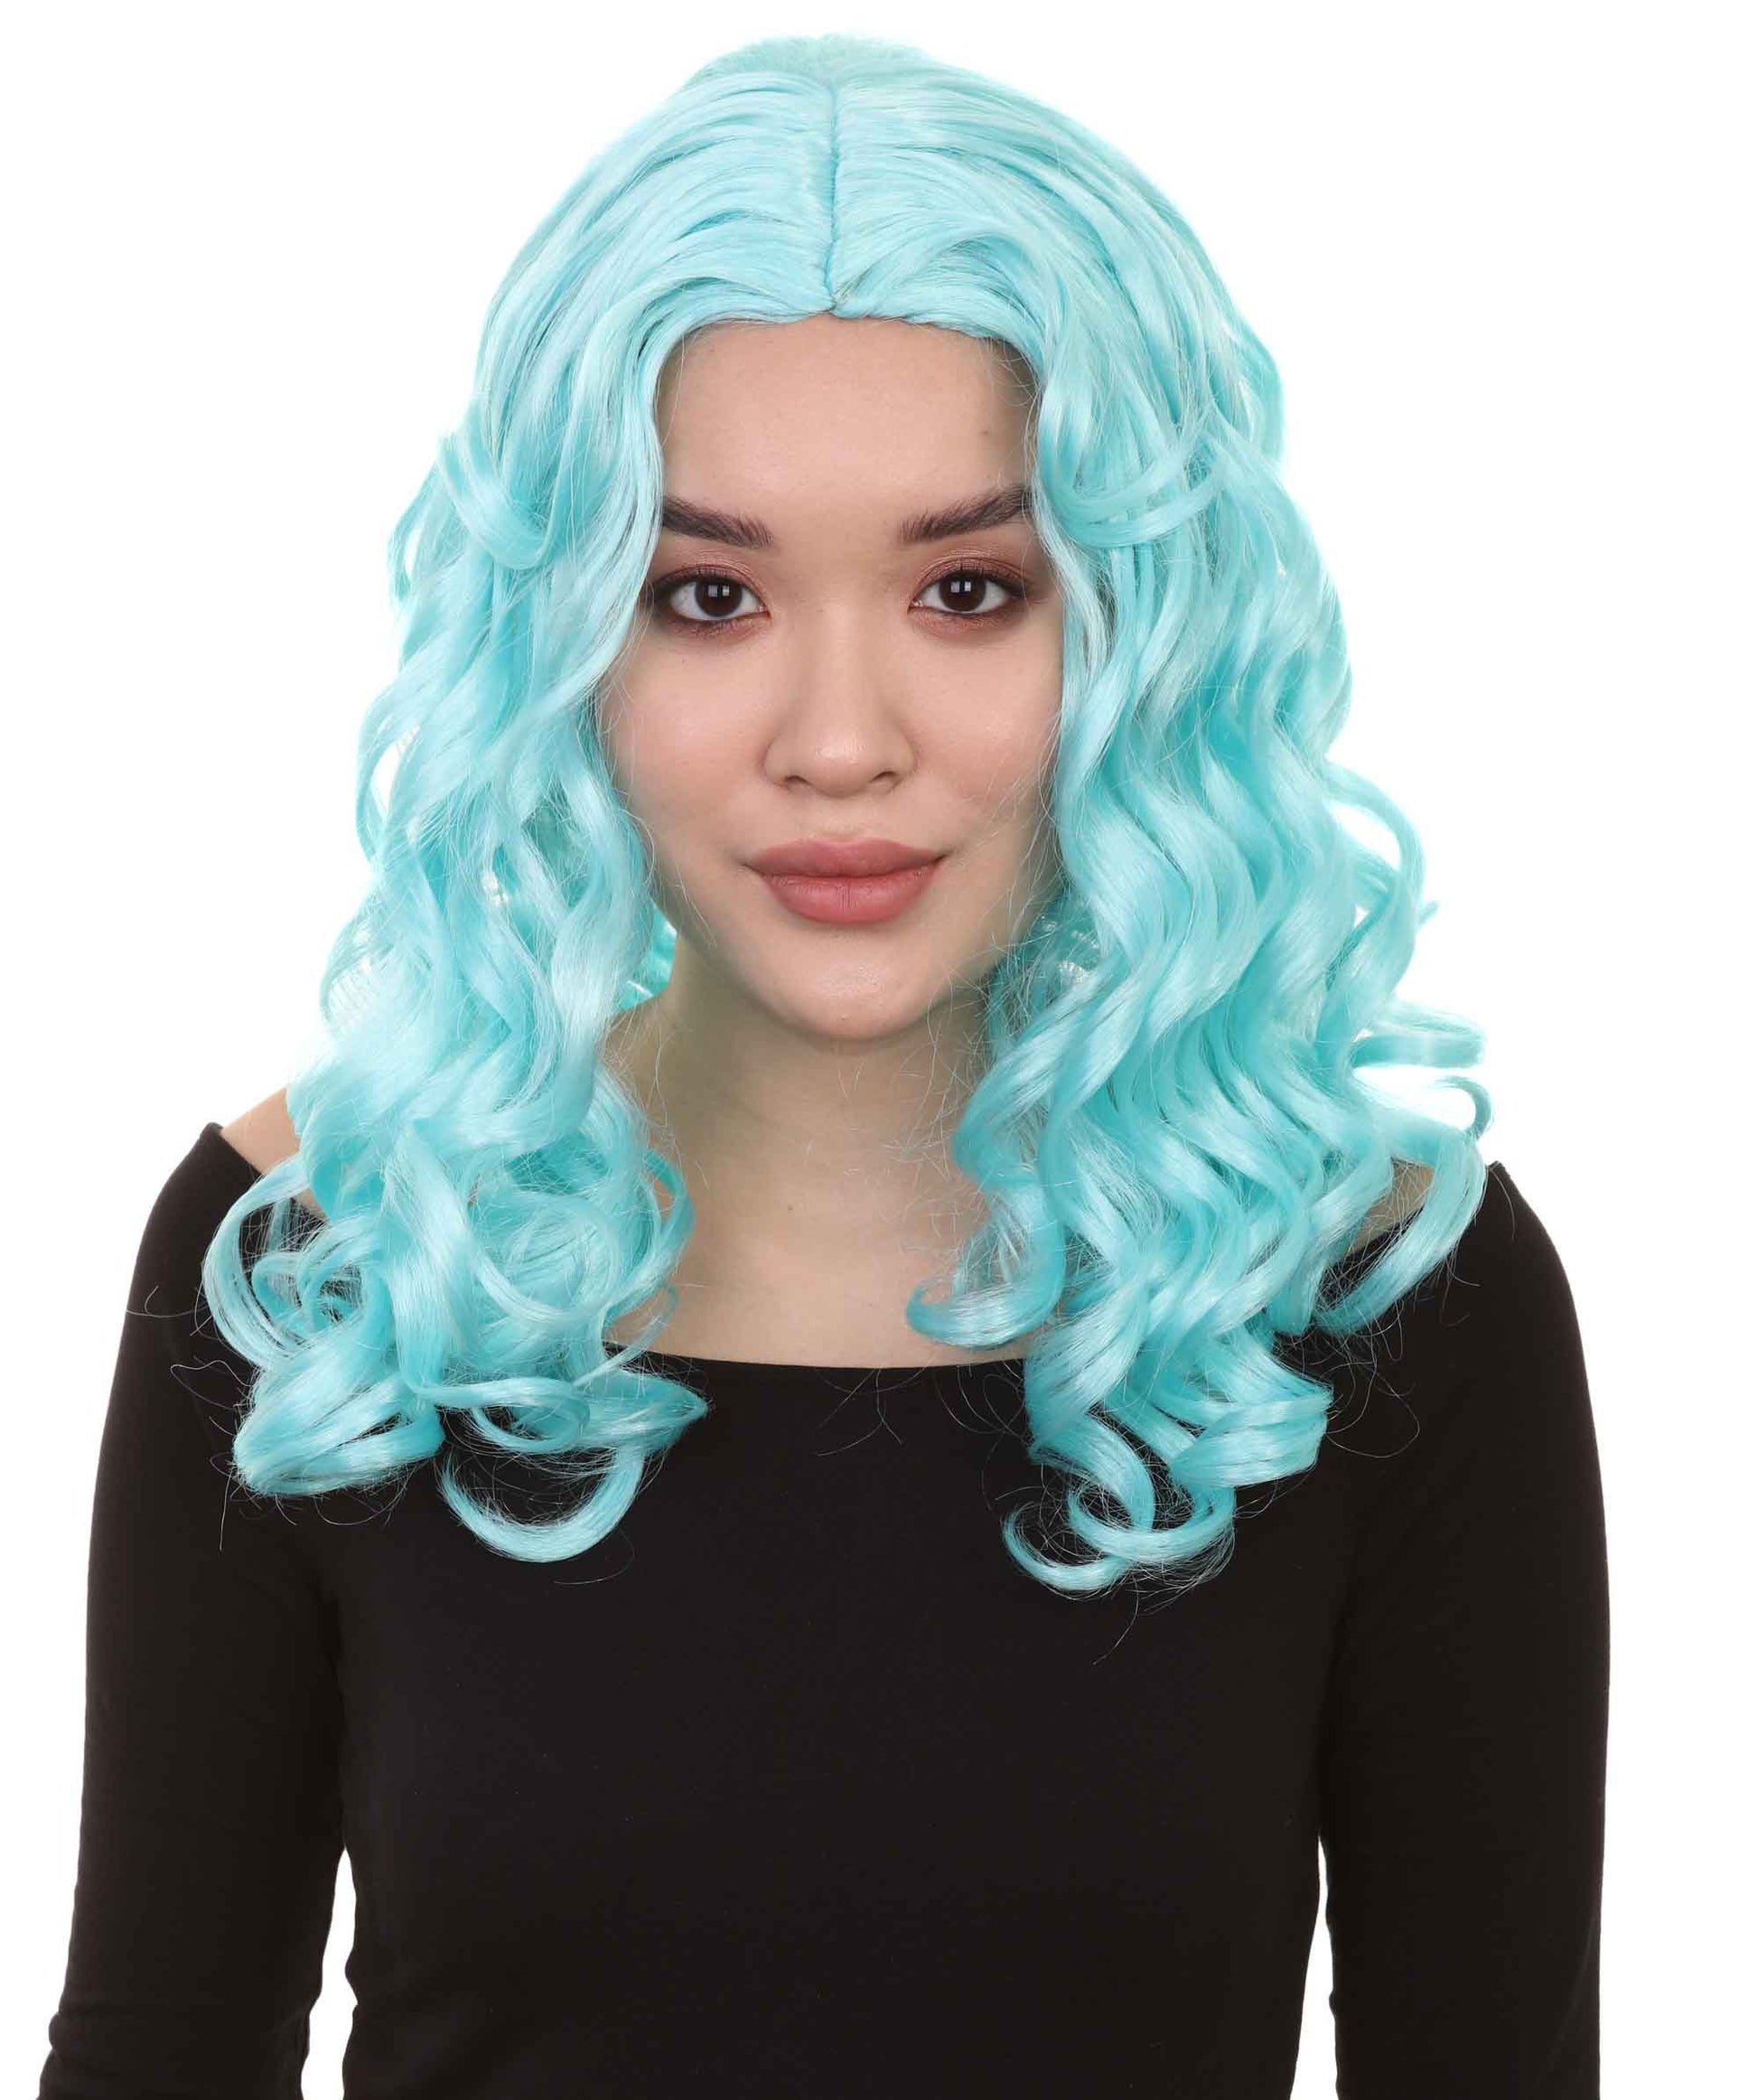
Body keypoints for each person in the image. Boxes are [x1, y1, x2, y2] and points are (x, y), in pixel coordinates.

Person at [37, 32, 1609, 2099]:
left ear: (1133, 630)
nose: (840, 738)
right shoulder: (318, 1265)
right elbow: (155, 2056)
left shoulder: (1391, 1298)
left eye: (968, 589)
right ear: (563, 639)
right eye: (708, 594)